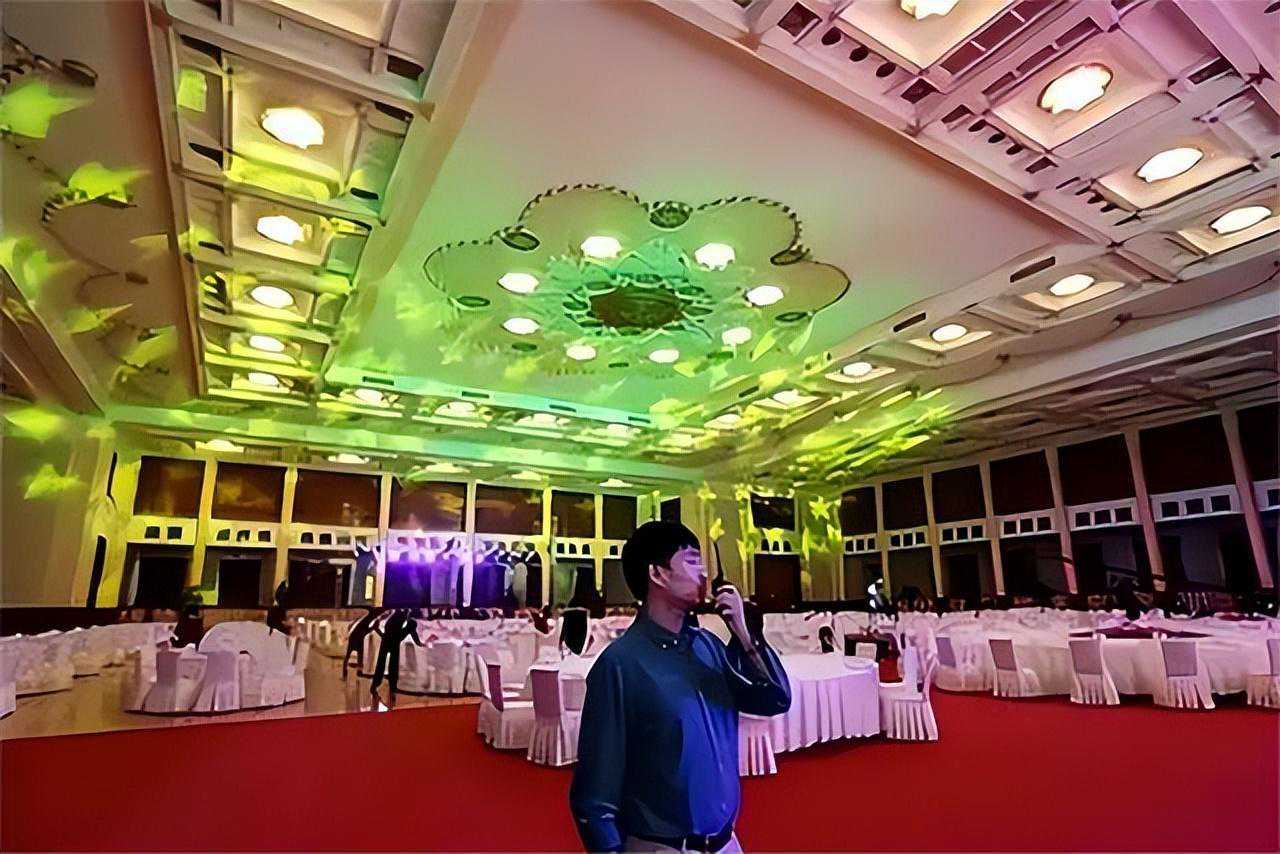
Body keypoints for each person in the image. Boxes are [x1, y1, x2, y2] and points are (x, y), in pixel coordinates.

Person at [570, 521, 791, 852]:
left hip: (727, 843)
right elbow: (594, 799)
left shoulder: (708, 647)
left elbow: (775, 699)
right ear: (657, 574)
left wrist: (744, 633)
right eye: (692, 561)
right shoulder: (620, 665)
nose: (704, 574)